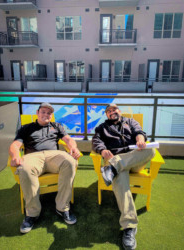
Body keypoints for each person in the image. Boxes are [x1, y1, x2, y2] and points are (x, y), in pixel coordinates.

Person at [9, 102, 81, 234]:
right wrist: (15, 155)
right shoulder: (26, 128)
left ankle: (62, 207)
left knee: (70, 161)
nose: (46, 115)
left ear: (51, 116)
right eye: (43, 112)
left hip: (54, 156)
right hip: (33, 157)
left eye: (49, 113)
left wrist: (73, 148)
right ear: (37, 113)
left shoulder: (57, 126)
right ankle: (32, 213)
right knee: (24, 168)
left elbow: (68, 139)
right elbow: (15, 145)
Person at [92, 104, 155, 250]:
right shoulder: (102, 128)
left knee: (150, 149)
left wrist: (140, 140)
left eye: (114, 110)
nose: (112, 112)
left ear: (119, 111)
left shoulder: (130, 121)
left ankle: (113, 167)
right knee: (120, 176)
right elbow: (96, 142)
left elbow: (139, 132)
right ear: (106, 115)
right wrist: (102, 151)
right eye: (109, 111)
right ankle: (129, 226)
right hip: (116, 158)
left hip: (134, 159)